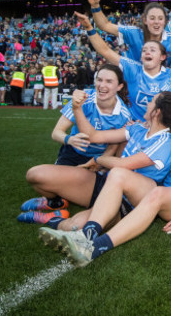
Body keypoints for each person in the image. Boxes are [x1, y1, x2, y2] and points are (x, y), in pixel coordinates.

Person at [40, 86, 171, 268]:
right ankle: (75, 229)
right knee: (78, 221)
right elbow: (152, 130)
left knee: (153, 191)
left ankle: (95, 248)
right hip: (161, 190)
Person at [27, 91, 171, 233]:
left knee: (76, 225)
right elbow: (93, 136)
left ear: (157, 112)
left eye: (152, 101)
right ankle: (57, 205)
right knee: (36, 175)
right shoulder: (138, 128)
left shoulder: (166, 141)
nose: (147, 103)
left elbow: (124, 165)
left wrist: (97, 159)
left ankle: (53, 219)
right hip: (106, 181)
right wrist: (77, 108)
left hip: (125, 199)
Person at [18, 64, 132, 225]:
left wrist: (99, 162)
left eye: (109, 81)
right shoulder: (84, 98)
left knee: (61, 184)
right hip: (71, 152)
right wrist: (69, 140)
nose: (102, 85)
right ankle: (55, 202)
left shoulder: (123, 114)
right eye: (99, 80)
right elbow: (56, 132)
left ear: (119, 86)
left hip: (95, 159)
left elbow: (113, 146)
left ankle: (58, 204)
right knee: (43, 181)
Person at [74, 11, 171, 122]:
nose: (147, 52)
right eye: (144, 50)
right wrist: (89, 27)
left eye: (152, 50)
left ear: (163, 57)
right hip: (134, 128)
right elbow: (105, 51)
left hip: (161, 130)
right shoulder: (133, 69)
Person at [87, 0, 171, 68]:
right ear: (145, 20)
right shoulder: (134, 33)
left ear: (165, 21)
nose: (156, 22)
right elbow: (104, 25)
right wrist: (95, 6)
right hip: (132, 83)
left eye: (160, 18)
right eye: (152, 18)